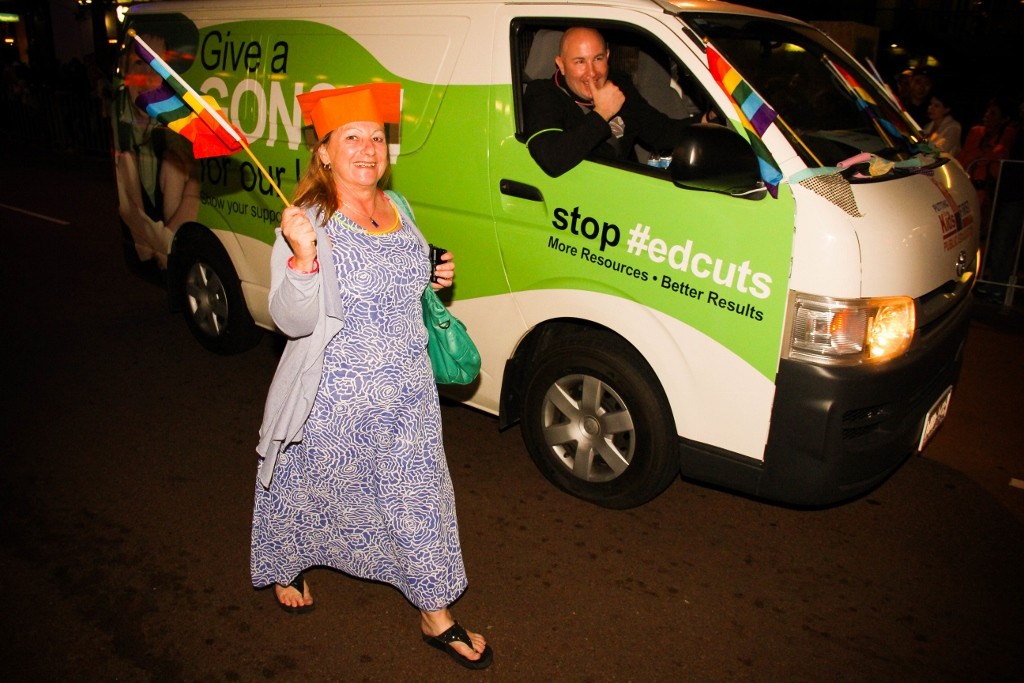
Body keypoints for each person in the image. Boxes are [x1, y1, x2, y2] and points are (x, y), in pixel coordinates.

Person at [250, 82, 493, 670]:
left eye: (377, 137)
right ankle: (287, 561)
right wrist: (303, 258)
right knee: (310, 489)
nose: (367, 148)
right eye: (351, 137)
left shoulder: (398, 206)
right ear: (325, 151)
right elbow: (289, 317)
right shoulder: (307, 219)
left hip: (409, 390)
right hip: (335, 396)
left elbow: (402, 274)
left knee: (419, 499)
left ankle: (436, 615)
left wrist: (432, 276)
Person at [523, 26, 698, 177]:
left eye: (598, 59)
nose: (591, 72)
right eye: (580, 62)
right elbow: (552, 159)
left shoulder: (618, 85)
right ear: (561, 65)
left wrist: (707, 121)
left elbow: (661, 132)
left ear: (607, 56)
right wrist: (602, 113)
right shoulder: (543, 94)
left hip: (621, 191)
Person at [921, 87, 962, 155]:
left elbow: (940, 151)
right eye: (930, 104)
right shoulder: (927, 126)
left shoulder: (953, 128)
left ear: (946, 109)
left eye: (936, 106)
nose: (931, 108)